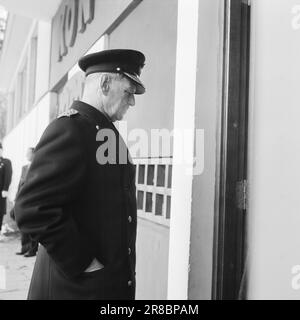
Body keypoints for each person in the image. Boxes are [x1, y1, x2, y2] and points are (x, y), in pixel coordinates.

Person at [14, 49, 145, 300]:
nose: (132, 101)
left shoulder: (103, 132)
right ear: (105, 84)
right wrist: (85, 263)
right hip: (76, 289)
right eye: (129, 92)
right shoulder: (70, 129)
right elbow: (32, 208)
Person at [14, 147, 38, 257]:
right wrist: (17, 197)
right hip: (22, 198)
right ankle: (24, 247)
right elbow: (20, 183)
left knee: (32, 224)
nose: (26, 155)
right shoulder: (24, 167)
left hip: (32, 198)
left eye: (28, 153)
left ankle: (33, 249)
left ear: (34, 153)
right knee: (22, 223)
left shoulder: (38, 166)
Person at [0, 143, 12, 233]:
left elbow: (8, 176)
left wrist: (5, 189)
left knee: (0, 211)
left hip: (1, 191)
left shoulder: (6, 162)